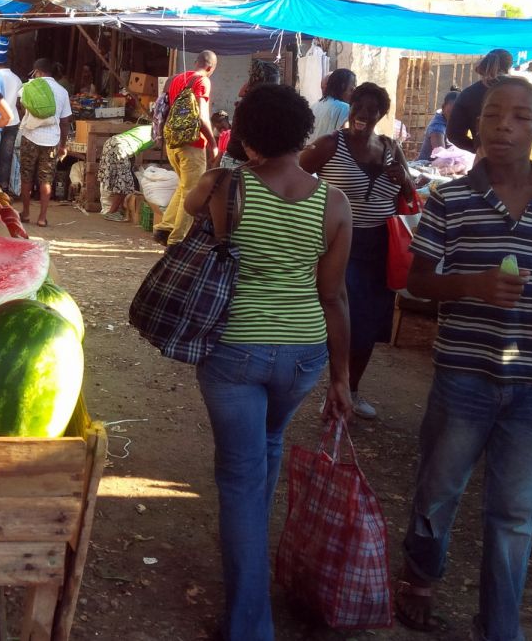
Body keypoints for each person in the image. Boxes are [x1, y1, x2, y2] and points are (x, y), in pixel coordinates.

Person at [393, 77, 532, 639]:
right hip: (463, 377)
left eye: (521, 116)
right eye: (494, 113)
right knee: (439, 489)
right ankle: (421, 580)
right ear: (475, 125)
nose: (505, 124)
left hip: (530, 384)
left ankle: (499, 624)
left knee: (514, 514)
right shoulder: (450, 200)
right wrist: (474, 286)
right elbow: (418, 282)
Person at [183, 83, 353, 641]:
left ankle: (249, 626)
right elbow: (335, 297)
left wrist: (230, 161)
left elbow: (188, 209)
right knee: (269, 445)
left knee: (239, 479)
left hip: (236, 349)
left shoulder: (227, 186)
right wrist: (342, 378)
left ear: (247, 135)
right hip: (303, 355)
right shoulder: (334, 201)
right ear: (305, 133)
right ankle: (253, 576)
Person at [300, 82, 415, 419]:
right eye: (358, 107)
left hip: (380, 245)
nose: (364, 114)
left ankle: (351, 390)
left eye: (372, 109)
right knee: (337, 318)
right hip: (337, 245)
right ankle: (329, 385)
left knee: (368, 323)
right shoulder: (329, 145)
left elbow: (410, 194)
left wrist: (403, 180)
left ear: (381, 114)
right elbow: (296, 176)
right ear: (350, 109)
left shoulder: (391, 148)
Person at [153, 50, 219, 245]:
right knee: (191, 192)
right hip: (193, 144)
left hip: (173, 143)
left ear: (196, 62)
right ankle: (177, 240)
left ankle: (165, 228)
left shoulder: (177, 79)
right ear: (210, 67)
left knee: (183, 187)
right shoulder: (202, 81)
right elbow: (201, 116)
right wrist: (213, 144)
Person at [18, 57, 72, 227]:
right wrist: (63, 144)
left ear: (37, 71)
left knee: (26, 177)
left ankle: (26, 213)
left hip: (29, 137)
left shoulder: (28, 87)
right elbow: (65, 122)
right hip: (51, 141)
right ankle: (42, 218)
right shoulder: (62, 91)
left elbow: (22, 109)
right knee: (46, 179)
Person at [447, 49, 513, 152]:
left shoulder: (468, 94)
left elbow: (454, 134)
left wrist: (478, 148)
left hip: (485, 160)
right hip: (519, 161)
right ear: (509, 66)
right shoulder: (524, 91)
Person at [220, 60, 281, 170]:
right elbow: (248, 144)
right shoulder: (254, 104)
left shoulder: (252, 99)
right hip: (240, 163)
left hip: (238, 161)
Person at [97, 123, 154, 221]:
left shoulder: (147, 128)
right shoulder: (155, 134)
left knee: (114, 179)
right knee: (125, 184)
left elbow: (134, 149)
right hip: (120, 147)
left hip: (111, 143)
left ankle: (112, 209)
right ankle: (112, 213)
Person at [0, 36, 23, 191]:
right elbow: (19, 103)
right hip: (12, 122)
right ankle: (3, 187)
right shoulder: (16, 79)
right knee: (6, 158)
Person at [310, 68, 356, 140]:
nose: (353, 93)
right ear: (343, 86)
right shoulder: (346, 109)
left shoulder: (314, 106)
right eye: (352, 89)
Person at [418, 89, 460, 160]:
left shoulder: (453, 122)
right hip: (428, 167)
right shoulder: (437, 128)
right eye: (450, 112)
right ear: (443, 108)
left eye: (458, 113)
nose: (454, 116)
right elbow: (441, 158)